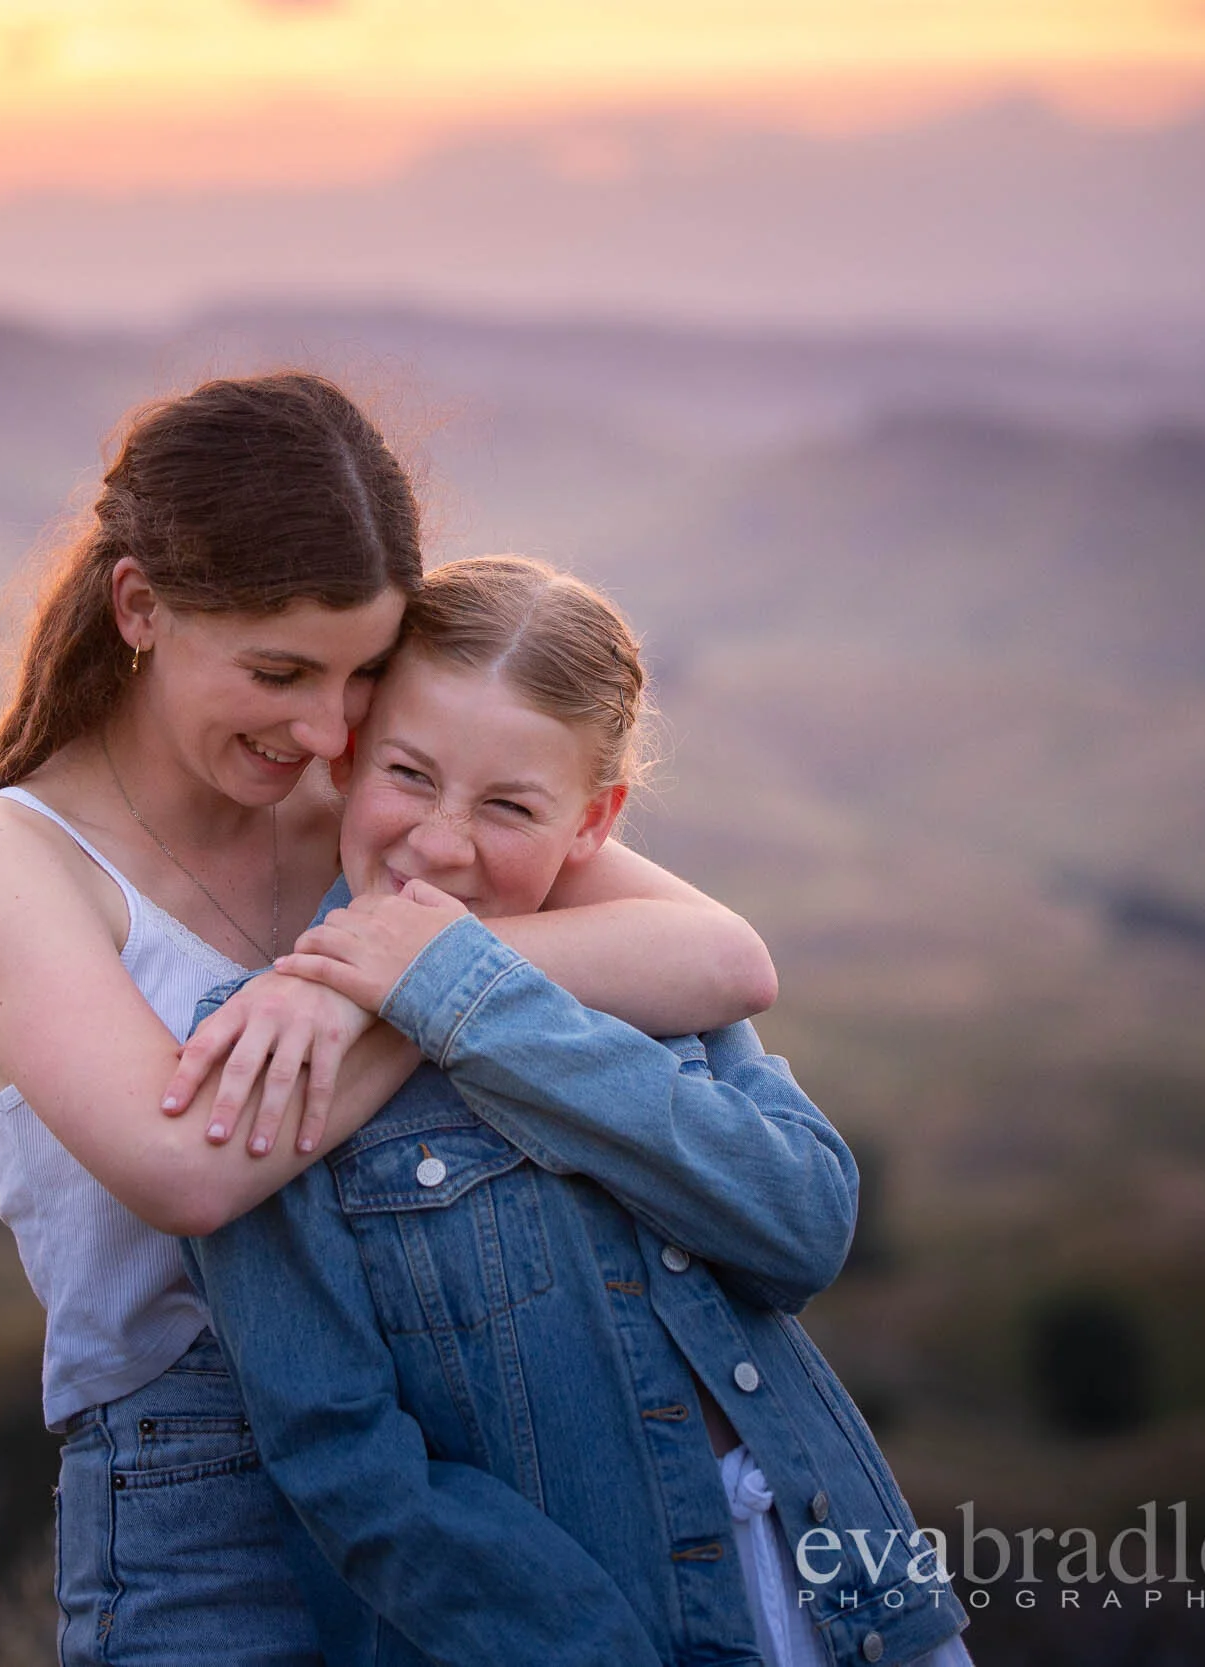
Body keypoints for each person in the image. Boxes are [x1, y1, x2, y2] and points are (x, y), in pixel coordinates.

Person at [0, 374, 780, 1665]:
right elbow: (187, 1166)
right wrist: (384, 990)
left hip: (471, 1457)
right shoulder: (13, 861)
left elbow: (718, 954)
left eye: (364, 673)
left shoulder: (365, 796)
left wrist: (368, 972)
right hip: (201, 1493)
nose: (325, 726)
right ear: (140, 605)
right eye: (279, 670)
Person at [178, 555, 974, 1666]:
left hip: (862, 1611)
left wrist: (466, 994)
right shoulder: (268, 1044)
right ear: (348, 759)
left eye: (509, 805)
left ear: (594, 820)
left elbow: (800, 1224)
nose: (443, 844)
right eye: (409, 775)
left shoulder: (636, 979)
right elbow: (344, 1462)